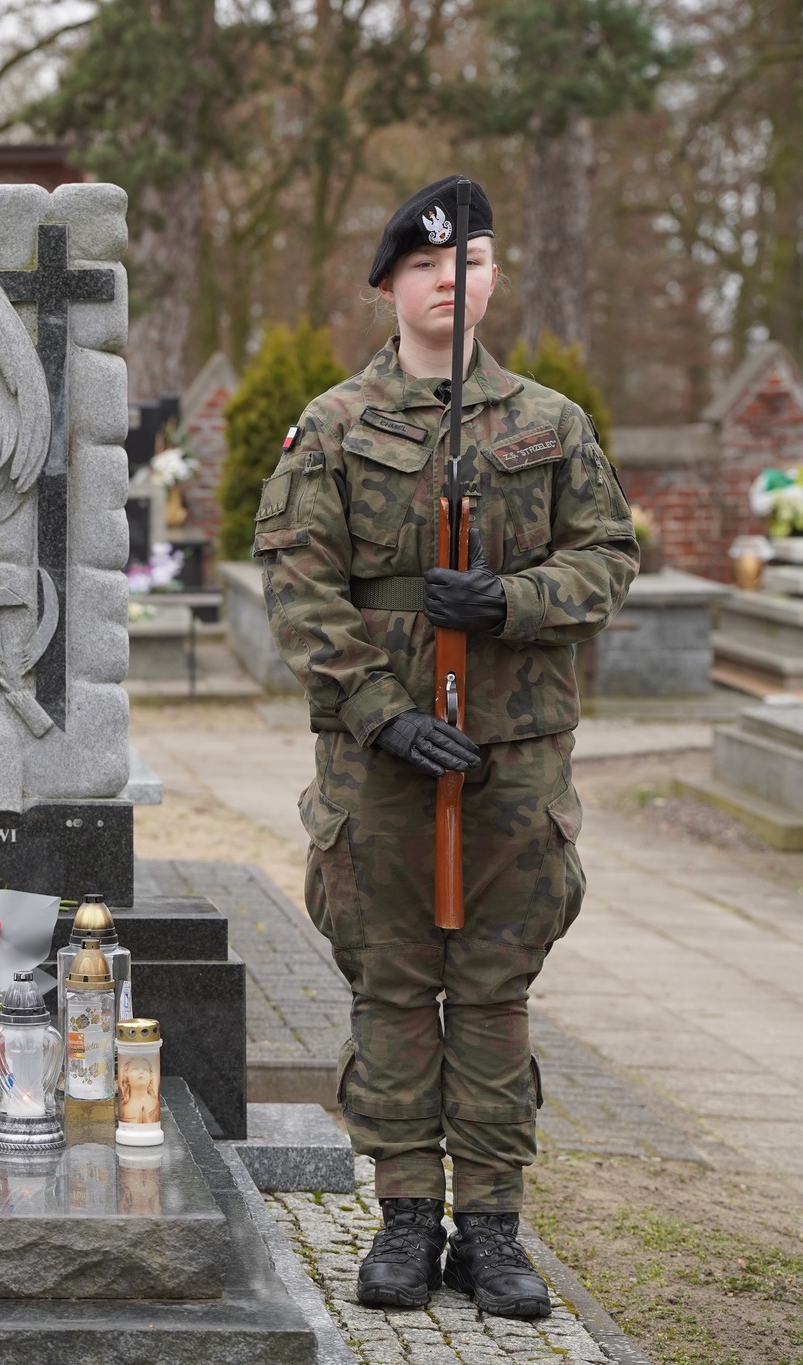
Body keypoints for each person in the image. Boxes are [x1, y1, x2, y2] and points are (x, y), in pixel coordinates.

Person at [255, 177, 636, 1319]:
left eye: (466, 262)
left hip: (512, 760)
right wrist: (378, 710)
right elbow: (297, 586)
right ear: (389, 286)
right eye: (424, 267)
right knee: (389, 984)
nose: (445, 281)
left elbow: (606, 560)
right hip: (378, 766)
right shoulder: (330, 426)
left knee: (491, 989)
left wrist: (513, 601)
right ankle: (405, 1221)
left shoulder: (548, 425)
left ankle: (493, 1228)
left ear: (489, 280)